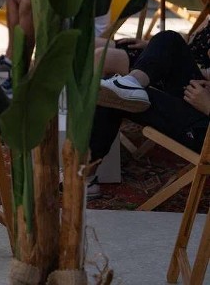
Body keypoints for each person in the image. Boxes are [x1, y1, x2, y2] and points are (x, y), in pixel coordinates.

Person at [89, 22, 210, 198]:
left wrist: (207, 105)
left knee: (113, 96)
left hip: (204, 127)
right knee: (169, 38)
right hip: (202, 95)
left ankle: (85, 175)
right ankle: (131, 82)